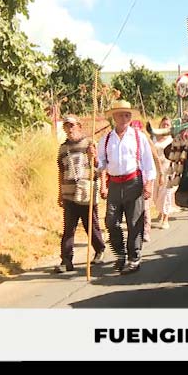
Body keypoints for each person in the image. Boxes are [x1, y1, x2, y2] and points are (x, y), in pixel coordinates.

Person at [98, 100, 157, 275]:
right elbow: (101, 163)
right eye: (120, 114)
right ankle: (120, 255)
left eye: (127, 114)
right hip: (115, 184)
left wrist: (148, 185)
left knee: (134, 223)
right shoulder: (106, 139)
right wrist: (95, 160)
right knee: (111, 221)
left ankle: (134, 258)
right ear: (113, 117)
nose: (124, 118)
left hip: (134, 183)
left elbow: (148, 164)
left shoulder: (139, 137)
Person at [54, 115, 106, 273]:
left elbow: (100, 167)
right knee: (68, 228)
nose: (69, 129)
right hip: (69, 193)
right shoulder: (63, 148)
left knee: (91, 224)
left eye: (72, 126)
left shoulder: (89, 144)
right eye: (66, 126)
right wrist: (60, 193)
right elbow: (61, 172)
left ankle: (99, 249)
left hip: (86, 192)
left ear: (79, 126)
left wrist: (94, 158)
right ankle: (66, 260)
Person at [151, 116, 175, 229]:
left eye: (167, 125)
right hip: (155, 169)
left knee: (166, 194)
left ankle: (165, 219)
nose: (165, 126)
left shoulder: (173, 140)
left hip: (168, 169)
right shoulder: (154, 139)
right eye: (163, 124)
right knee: (155, 195)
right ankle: (161, 212)